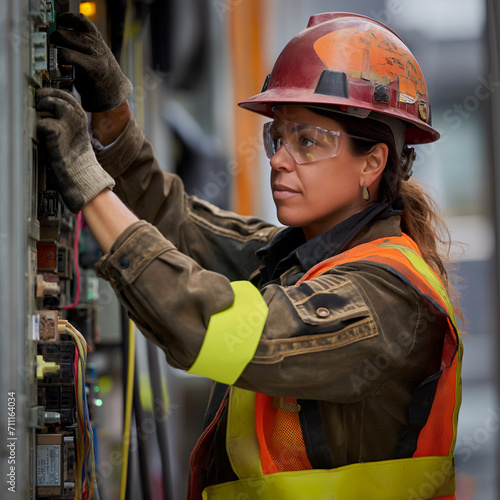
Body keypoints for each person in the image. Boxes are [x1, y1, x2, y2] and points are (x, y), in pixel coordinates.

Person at [36, 11, 463, 500]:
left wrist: (90, 186)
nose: (279, 158)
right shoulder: (301, 259)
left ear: (372, 162)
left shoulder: (388, 299)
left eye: (307, 141)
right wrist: (113, 122)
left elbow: (215, 328)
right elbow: (179, 227)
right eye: (277, 138)